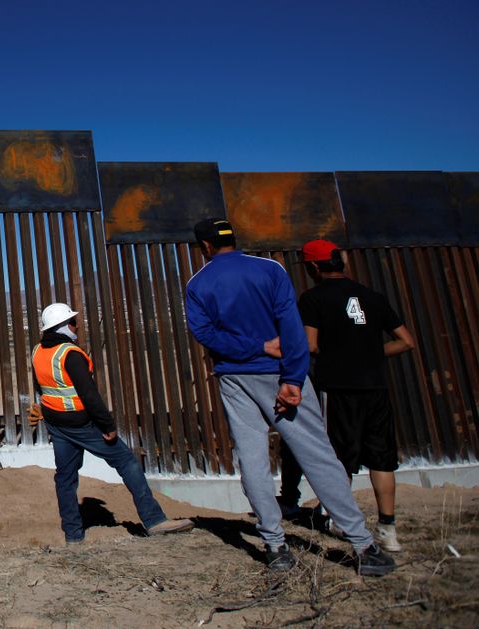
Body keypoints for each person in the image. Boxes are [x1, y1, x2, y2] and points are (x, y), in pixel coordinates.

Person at [183, 219, 394, 576]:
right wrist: (293, 379)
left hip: (235, 378)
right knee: (318, 455)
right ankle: (363, 547)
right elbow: (291, 326)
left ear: (204, 246)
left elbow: (203, 332)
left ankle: (276, 546)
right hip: (281, 374)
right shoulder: (269, 270)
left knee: (252, 460)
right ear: (233, 240)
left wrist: (252, 347)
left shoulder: (198, 283)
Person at [31, 301, 194, 545]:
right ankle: (154, 520)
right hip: (82, 424)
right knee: (126, 461)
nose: (77, 327)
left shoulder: (38, 351)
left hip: (57, 424)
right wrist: (107, 426)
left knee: (65, 478)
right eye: (74, 322)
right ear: (65, 326)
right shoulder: (70, 355)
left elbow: (41, 386)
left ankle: (73, 535)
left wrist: (46, 409)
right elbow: (89, 395)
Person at [296, 238, 417, 552]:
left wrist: (336, 354)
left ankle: (341, 520)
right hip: (375, 385)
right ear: (342, 262)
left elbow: (309, 344)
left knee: (339, 457)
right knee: (382, 459)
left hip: (338, 387)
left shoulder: (312, 299)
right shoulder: (372, 297)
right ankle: (387, 529)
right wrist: (373, 354)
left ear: (312, 266)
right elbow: (406, 341)